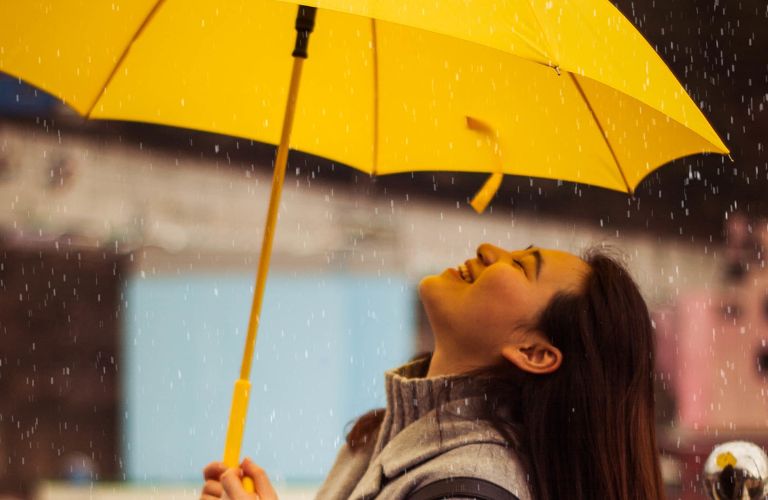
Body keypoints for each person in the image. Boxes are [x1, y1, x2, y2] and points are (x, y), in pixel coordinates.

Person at [200, 243, 666, 500]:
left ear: (534, 352)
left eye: (521, 266)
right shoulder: (376, 440)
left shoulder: (469, 493)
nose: (488, 249)